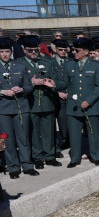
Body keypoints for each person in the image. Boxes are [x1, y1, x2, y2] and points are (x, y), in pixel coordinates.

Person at [58, 38, 99, 168]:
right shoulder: (69, 64)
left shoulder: (96, 66)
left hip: (91, 106)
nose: (74, 52)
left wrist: (88, 101)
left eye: (77, 50)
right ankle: (75, 158)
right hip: (73, 106)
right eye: (73, 50)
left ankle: (96, 156)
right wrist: (53, 85)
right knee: (73, 134)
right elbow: (64, 82)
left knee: (93, 132)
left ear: (85, 51)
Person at [19, 35, 63, 169]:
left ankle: (50, 156)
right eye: (30, 50)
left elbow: (58, 79)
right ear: (24, 50)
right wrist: (31, 82)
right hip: (30, 102)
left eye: (36, 50)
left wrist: (53, 83)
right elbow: (16, 83)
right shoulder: (19, 63)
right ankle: (37, 157)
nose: (33, 53)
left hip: (47, 101)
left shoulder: (48, 61)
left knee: (49, 130)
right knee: (33, 132)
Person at [0, 37, 37, 178]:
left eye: (7, 51)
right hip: (3, 109)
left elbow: (29, 86)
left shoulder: (20, 67)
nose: (4, 54)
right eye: (2, 51)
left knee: (23, 138)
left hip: (20, 107)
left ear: (11, 52)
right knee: (7, 139)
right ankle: (13, 167)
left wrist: (21, 90)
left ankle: (27, 165)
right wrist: (2, 92)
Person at [51, 39, 70, 152]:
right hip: (56, 95)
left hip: (69, 95)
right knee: (61, 118)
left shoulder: (70, 62)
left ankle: (69, 139)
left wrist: (68, 92)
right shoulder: (50, 63)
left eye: (64, 50)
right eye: (60, 50)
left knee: (70, 119)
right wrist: (58, 93)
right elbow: (49, 80)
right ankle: (63, 139)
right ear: (55, 50)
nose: (63, 52)